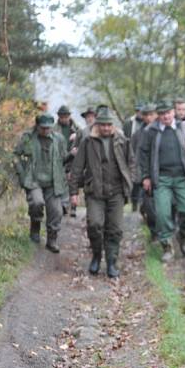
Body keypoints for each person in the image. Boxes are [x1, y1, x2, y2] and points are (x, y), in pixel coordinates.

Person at [68, 107, 134, 278]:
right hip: (94, 192)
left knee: (115, 228)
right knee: (95, 225)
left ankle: (112, 262)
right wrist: (74, 192)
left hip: (117, 192)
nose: (105, 128)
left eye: (108, 125)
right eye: (102, 125)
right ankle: (97, 256)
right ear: (97, 125)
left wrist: (130, 181)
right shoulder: (87, 142)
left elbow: (132, 163)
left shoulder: (122, 140)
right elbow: (76, 168)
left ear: (112, 125)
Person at [138, 101, 185, 262]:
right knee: (163, 215)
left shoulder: (184, 127)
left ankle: (183, 236)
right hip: (161, 178)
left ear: (173, 112)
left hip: (182, 177)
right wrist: (145, 177)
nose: (166, 116)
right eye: (162, 113)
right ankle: (167, 246)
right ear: (158, 115)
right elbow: (142, 156)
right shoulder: (151, 131)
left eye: (168, 112)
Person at [13, 114, 68, 253]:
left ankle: (52, 240)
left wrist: (71, 157)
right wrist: (21, 173)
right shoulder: (28, 138)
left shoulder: (59, 139)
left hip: (53, 181)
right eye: (43, 128)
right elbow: (15, 155)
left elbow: (63, 158)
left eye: (48, 128)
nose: (45, 130)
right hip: (33, 180)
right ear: (37, 126)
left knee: (56, 211)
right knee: (36, 203)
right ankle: (35, 227)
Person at [131, 103, 158, 233]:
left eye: (151, 114)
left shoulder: (161, 130)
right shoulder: (137, 134)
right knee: (148, 205)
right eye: (146, 115)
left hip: (161, 173)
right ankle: (153, 232)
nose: (149, 118)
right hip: (144, 175)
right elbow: (134, 155)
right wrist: (139, 175)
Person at [56, 105, 80, 217]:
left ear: (69, 116)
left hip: (74, 158)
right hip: (61, 158)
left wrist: (77, 136)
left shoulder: (77, 128)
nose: (64, 118)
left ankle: (73, 207)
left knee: (73, 180)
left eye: (66, 116)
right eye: (62, 116)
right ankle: (64, 205)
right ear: (59, 117)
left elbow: (85, 138)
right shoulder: (54, 129)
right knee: (62, 181)